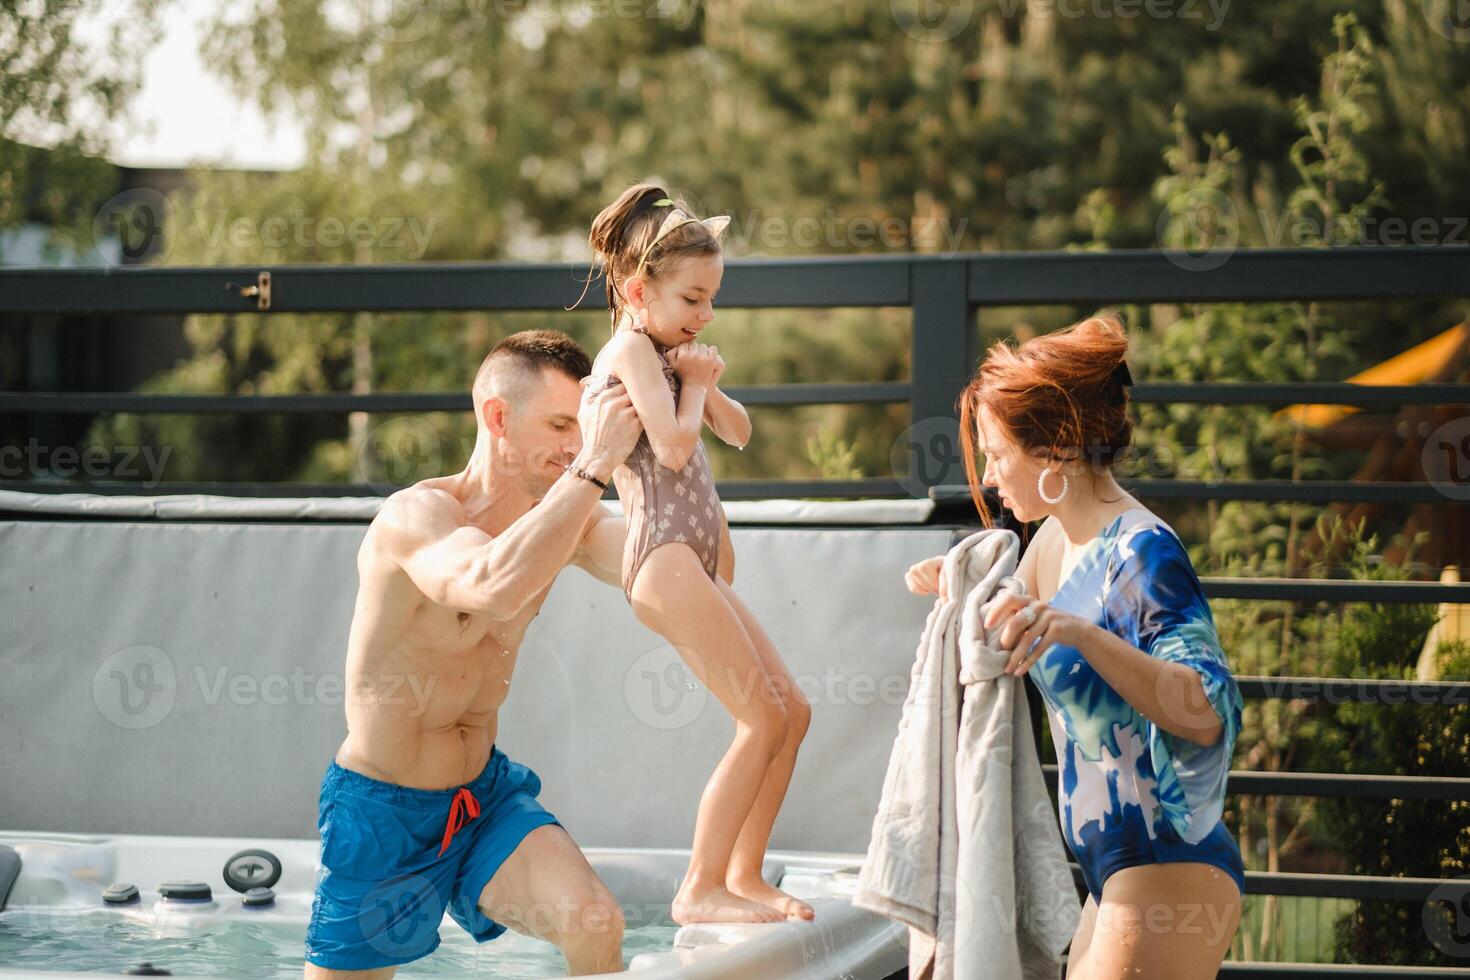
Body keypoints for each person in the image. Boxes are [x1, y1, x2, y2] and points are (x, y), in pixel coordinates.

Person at [905, 312, 1244, 979]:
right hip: (1115, 869)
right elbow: (1006, 626)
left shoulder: (1140, 553)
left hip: (1167, 863)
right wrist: (957, 586)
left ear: (1055, 451)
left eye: (1000, 455)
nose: (993, 477)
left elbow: (1208, 710)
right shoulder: (1055, 544)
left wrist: (1081, 633)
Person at [304, 330, 644, 978]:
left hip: (483, 801)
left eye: (587, 426)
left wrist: (675, 441)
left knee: (595, 921)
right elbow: (487, 582)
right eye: (560, 424)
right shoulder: (416, 517)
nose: (576, 444)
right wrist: (594, 465)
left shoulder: (564, 519)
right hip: (384, 814)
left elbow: (669, 560)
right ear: (497, 416)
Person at [576, 182, 813, 923]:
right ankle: (700, 888)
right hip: (663, 558)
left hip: (694, 560)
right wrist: (690, 386)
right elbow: (674, 451)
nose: (705, 316)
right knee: (761, 719)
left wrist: (704, 380)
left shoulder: (667, 352)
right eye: (692, 300)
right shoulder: (627, 351)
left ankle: (743, 876)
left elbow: (736, 431)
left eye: (712, 300)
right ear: (638, 289)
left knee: (793, 711)